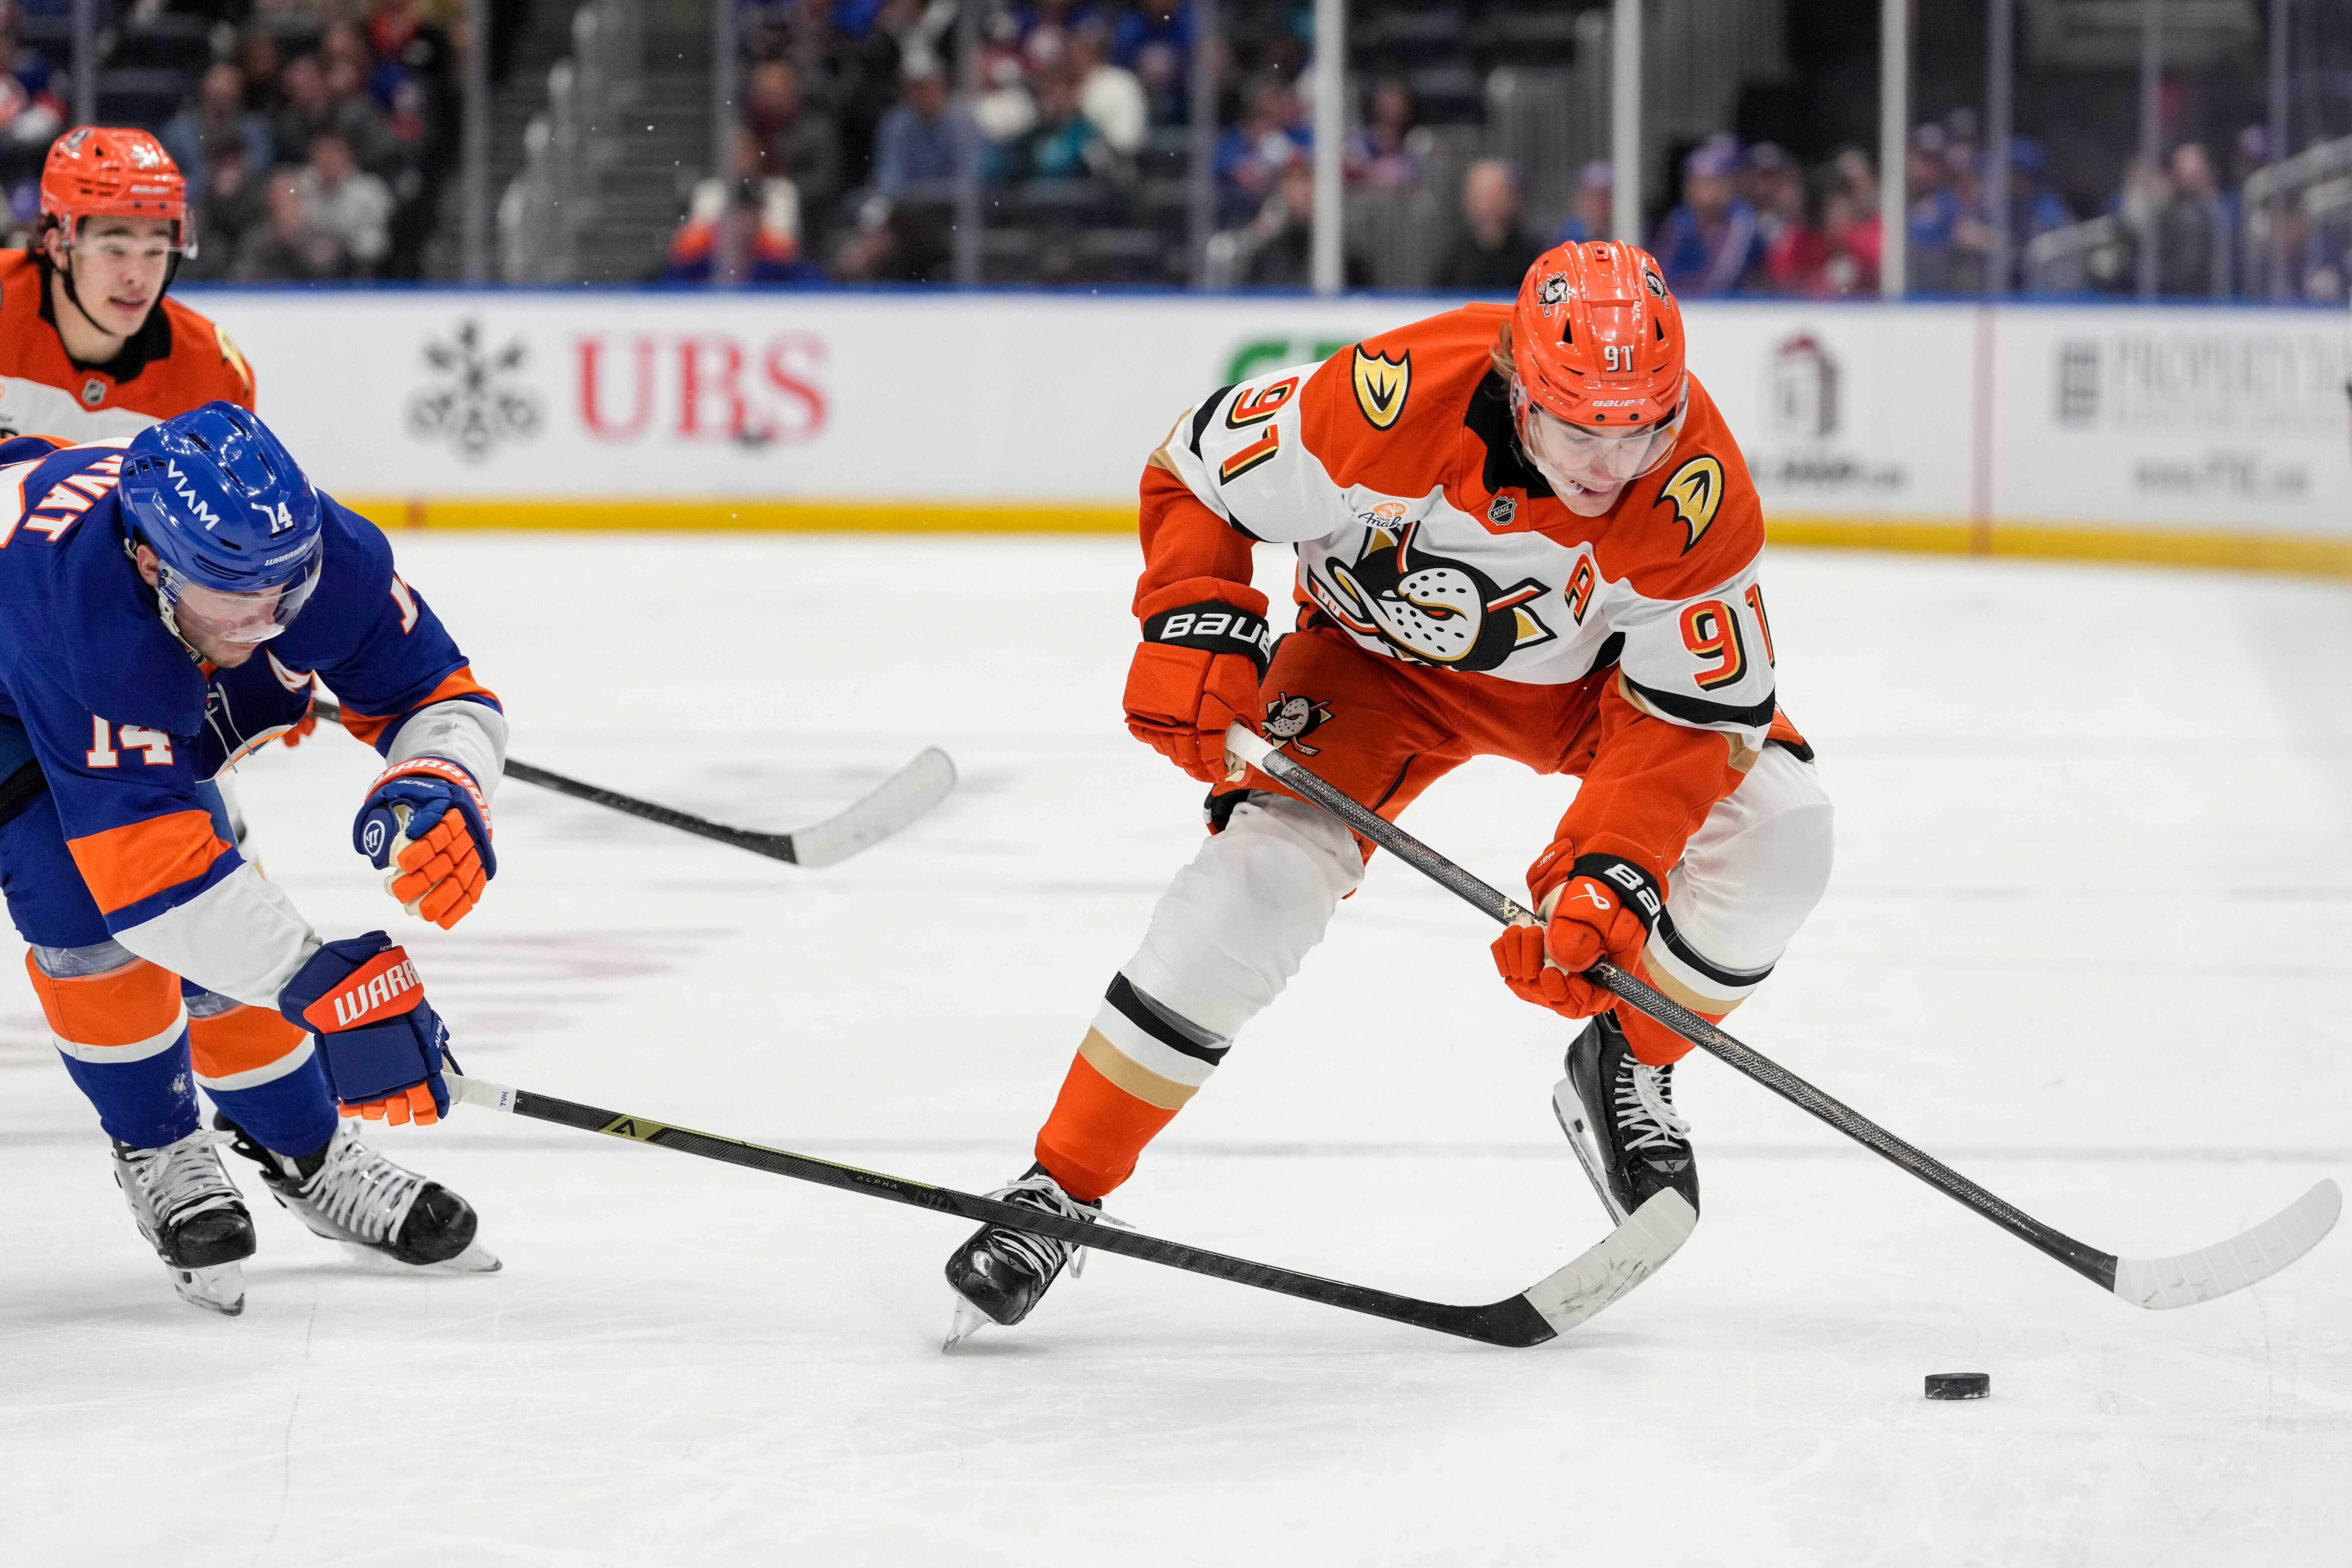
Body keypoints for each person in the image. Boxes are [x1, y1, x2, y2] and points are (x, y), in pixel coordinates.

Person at [940, 240, 1833, 1342]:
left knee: (1783, 832)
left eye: (1640, 427)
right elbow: (1195, 467)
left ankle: (1627, 1060)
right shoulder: (1386, 397)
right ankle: (1057, 1187)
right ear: (1519, 380)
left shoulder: (1696, 492)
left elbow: (1691, 718)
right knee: (1257, 883)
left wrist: (1607, 877)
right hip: (1369, 673)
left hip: (1582, 698)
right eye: (1580, 431)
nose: (1611, 465)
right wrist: (1191, 615)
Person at [0, 400, 507, 1317]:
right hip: (19, 649)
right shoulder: (87, 616)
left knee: (221, 885)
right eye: (238, 595)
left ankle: (310, 1152)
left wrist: (442, 773)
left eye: (290, 591)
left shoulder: (305, 558)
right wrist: (316, 979)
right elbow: (152, 878)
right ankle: (158, 1143)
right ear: (150, 561)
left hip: (104, 633)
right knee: (77, 902)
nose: (272, 622)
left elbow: (439, 687)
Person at [0, 129, 257, 444]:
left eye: (155, 252)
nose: (137, 277)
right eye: (115, 250)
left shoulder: (212, 375)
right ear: (58, 249)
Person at [1650, 134, 1761, 296]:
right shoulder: (1682, 218)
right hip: (1686, 303)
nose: (1698, 190)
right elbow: (1658, 268)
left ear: (1726, 186)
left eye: (1707, 182)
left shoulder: (1740, 219)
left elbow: (1719, 279)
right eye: (1694, 181)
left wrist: (1672, 293)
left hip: (1735, 308)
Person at [1436, 158, 1545, 292]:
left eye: (1493, 195)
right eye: (1478, 196)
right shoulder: (1454, 259)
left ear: (1512, 198)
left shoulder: (1536, 255)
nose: (1485, 205)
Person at [293, 131, 393, 274]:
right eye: (323, 152)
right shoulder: (298, 186)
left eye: (335, 152)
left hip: (354, 265)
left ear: (349, 156)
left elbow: (376, 243)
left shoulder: (371, 191)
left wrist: (341, 249)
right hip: (305, 260)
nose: (329, 159)